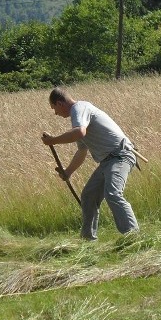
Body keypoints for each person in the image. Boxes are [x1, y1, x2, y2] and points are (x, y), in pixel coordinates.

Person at [42, 87, 139, 239]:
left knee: (113, 193)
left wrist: (53, 140)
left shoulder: (79, 109)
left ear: (60, 103)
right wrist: (68, 172)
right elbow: (82, 151)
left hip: (121, 155)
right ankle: (87, 241)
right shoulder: (80, 118)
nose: (55, 113)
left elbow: (79, 133)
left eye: (54, 108)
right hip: (107, 161)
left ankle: (133, 238)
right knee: (89, 196)